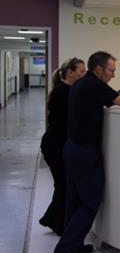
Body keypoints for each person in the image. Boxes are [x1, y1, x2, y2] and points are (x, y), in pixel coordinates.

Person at [52, 51, 120, 253]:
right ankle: (66, 248)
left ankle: (72, 244)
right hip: (84, 153)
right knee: (90, 202)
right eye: (111, 70)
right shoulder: (94, 85)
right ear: (99, 69)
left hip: (72, 148)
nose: (113, 75)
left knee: (74, 200)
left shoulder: (81, 84)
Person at [38, 57, 86, 236]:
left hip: (58, 144)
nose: (84, 75)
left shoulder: (68, 91)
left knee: (63, 184)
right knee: (63, 185)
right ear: (70, 72)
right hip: (55, 145)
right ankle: (58, 224)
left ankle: (51, 218)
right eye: (81, 71)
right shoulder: (63, 93)